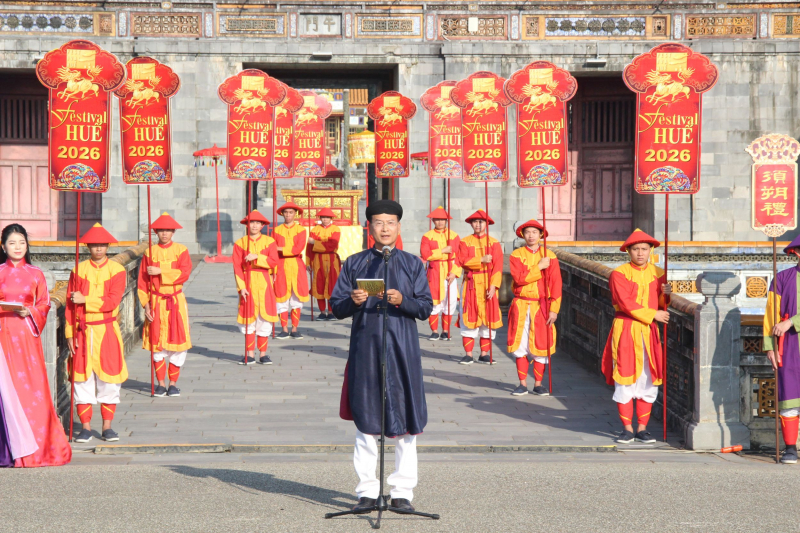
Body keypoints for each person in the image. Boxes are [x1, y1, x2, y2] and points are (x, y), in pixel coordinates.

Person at [330, 199, 433, 513]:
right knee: (366, 424)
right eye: (378, 222)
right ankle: (367, 492)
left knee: (406, 424)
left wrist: (403, 299)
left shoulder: (413, 264)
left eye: (390, 222)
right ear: (369, 227)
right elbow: (336, 308)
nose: (385, 228)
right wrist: (354, 299)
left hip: (402, 350)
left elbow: (426, 308)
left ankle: (402, 492)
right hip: (366, 349)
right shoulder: (354, 263)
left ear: (399, 226)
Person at [0, 223, 71, 467]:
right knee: (6, 391)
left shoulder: (36, 274)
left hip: (27, 335)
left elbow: (44, 304)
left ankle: (40, 448)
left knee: (33, 389)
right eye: (12, 243)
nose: (17, 247)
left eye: (21, 242)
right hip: (3, 335)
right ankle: (11, 449)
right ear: (3, 246)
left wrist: (28, 310)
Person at [601, 229, 671, 445]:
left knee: (649, 377)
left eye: (644, 249)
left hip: (649, 332)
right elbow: (625, 303)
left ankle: (642, 428)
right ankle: (627, 428)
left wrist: (665, 293)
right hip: (626, 329)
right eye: (636, 249)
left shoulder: (659, 273)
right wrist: (653, 314)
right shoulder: (619, 274)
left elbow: (662, 305)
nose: (640, 253)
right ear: (628, 251)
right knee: (625, 375)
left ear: (650, 250)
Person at [66, 223, 128, 443]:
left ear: (107, 246)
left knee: (109, 379)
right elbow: (69, 304)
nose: (98, 249)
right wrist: (69, 332)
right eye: (94, 245)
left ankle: (107, 427)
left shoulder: (117, 270)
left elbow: (112, 300)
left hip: (106, 329)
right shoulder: (79, 269)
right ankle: (85, 427)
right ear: (88, 247)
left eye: (102, 245)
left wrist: (87, 300)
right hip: (82, 330)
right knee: (81, 379)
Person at [138, 212, 192, 397]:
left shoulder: (181, 250)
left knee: (178, 343)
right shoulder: (149, 252)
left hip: (175, 300)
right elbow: (142, 282)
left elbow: (185, 273)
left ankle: (173, 383)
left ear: (173, 232)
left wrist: (162, 271)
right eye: (161, 230)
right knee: (157, 344)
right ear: (156, 232)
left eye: (168, 230)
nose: (165, 234)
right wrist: (146, 305)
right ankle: (160, 383)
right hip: (156, 301)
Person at [507, 219, 561, 396]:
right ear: (523, 234)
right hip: (521, 303)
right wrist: (538, 267)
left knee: (541, 343)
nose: (531, 235)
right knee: (519, 343)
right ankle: (522, 383)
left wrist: (554, 309)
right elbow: (519, 278)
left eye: (535, 232)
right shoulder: (516, 255)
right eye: (528, 232)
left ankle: (538, 384)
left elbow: (555, 284)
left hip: (541, 305)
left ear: (540, 235)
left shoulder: (550, 256)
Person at [764, 235, 800, 464]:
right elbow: (770, 315)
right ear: (796, 252)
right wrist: (769, 346)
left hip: (790, 331)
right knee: (788, 396)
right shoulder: (782, 278)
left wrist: (792, 322)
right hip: (789, 346)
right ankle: (790, 448)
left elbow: (786, 321)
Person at [456, 210, 503, 365]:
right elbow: (462, 261)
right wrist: (481, 259)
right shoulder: (465, 241)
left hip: (488, 283)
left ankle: (484, 354)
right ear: (471, 224)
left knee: (487, 319)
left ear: (487, 224)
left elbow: (498, 267)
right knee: (469, 316)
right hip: (471, 283)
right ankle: (468, 354)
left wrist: (494, 285)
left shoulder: (494, 243)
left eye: (481, 222)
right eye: (475, 222)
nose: (478, 224)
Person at [233, 210, 279, 365]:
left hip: (265, 281)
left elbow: (274, 261)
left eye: (257, 223)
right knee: (248, 319)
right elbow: (237, 267)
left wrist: (258, 257)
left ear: (262, 225)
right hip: (248, 280)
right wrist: (242, 287)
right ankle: (250, 354)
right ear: (247, 224)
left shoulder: (269, 241)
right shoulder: (240, 243)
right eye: (251, 222)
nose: (254, 225)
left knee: (265, 318)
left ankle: (263, 354)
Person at [420, 206, 461, 341]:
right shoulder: (427, 236)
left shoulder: (454, 235)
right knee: (434, 301)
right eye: (437, 219)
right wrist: (442, 251)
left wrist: (455, 273)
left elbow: (460, 257)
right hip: (434, 272)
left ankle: (445, 330)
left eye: (443, 219)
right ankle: (434, 331)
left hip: (450, 271)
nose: (440, 222)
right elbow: (425, 255)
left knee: (450, 301)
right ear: (433, 221)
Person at [273, 202, 309, 339]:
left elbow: (297, 249)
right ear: (282, 214)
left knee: (296, 297)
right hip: (280, 265)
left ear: (295, 214)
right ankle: (283, 328)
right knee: (281, 297)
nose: (288, 215)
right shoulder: (276, 230)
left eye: (291, 212)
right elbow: (272, 250)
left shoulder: (301, 230)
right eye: (286, 212)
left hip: (296, 265)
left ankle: (294, 328)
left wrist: (281, 249)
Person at [307, 207, 341, 321]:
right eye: (323, 217)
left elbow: (332, 245)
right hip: (318, 260)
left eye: (327, 217)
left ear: (331, 218)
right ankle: (322, 312)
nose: (325, 219)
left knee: (332, 285)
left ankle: (331, 311)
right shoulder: (315, 229)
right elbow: (309, 248)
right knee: (319, 285)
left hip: (332, 260)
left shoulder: (335, 229)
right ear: (320, 218)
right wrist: (308, 262)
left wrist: (316, 242)